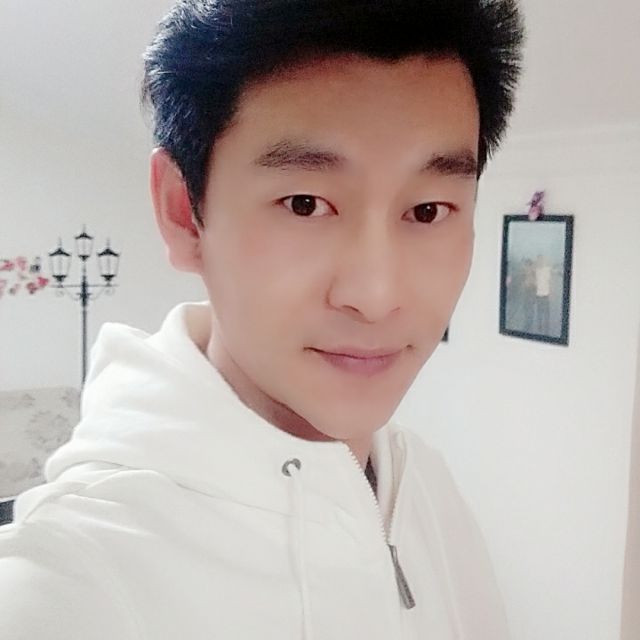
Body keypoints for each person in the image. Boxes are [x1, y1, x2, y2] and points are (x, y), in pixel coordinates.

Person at [0, 1, 524, 638]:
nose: (376, 297)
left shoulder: (426, 483)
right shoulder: (71, 583)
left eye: (429, 210)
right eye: (305, 204)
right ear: (183, 213)